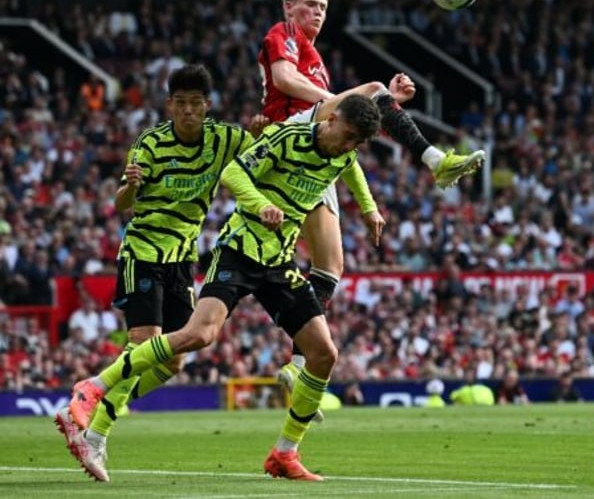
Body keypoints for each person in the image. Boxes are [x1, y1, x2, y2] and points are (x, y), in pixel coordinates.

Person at [68, 93, 384, 482]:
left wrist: (368, 208)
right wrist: (259, 204)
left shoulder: (343, 152)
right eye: (348, 135)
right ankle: (94, 385)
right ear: (332, 118)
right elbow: (234, 173)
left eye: (356, 142)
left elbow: (349, 168)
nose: (349, 145)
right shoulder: (287, 139)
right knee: (199, 335)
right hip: (238, 251)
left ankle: (285, 453)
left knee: (323, 354)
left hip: (278, 261)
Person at [259, 0, 486, 395]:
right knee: (374, 91)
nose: (317, 13)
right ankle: (435, 160)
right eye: (309, 5)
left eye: (323, 8)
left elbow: (346, 141)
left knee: (329, 266)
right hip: (286, 140)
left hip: (313, 160)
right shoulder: (285, 33)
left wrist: (368, 203)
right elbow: (285, 81)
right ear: (289, 8)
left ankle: (295, 363)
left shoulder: (317, 58)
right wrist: (344, 98)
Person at [54, 64, 273, 482]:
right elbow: (122, 204)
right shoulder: (150, 144)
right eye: (181, 104)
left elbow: (262, 152)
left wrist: (262, 131)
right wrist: (130, 186)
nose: (188, 111)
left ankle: (94, 421)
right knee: (143, 344)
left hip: (181, 260)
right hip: (143, 253)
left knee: (172, 362)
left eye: (196, 104)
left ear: (207, 107)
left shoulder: (225, 138)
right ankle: (91, 421)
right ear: (170, 105)